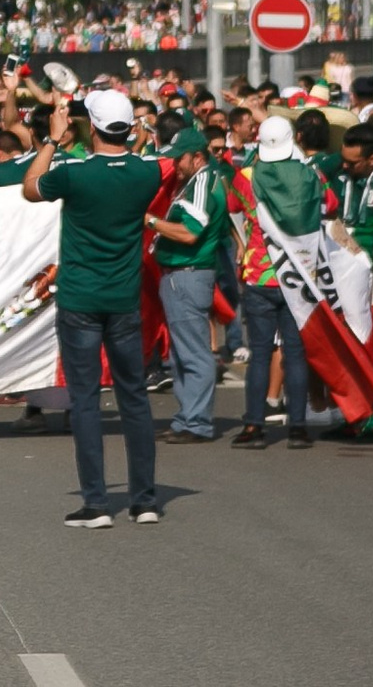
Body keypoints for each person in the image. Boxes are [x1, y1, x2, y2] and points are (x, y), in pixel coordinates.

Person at [23, 86, 162, 527]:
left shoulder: (74, 173)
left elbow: (30, 188)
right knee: (134, 399)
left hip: (82, 297)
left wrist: (51, 139)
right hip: (123, 299)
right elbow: (139, 154)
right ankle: (144, 500)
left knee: (85, 401)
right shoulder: (148, 173)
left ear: (94, 126)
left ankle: (97, 504)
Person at [149, 126, 225, 443]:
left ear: (196, 157)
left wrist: (150, 221)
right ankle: (186, 418)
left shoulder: (202, 182)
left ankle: (197, 422)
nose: (174, 166)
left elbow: (190, 232)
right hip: (182, 275)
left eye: (178, 159)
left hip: (188, 275)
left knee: (193, 353)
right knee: (182, 353)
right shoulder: (195, 181)